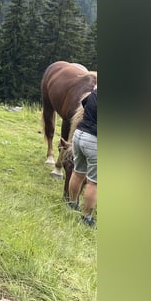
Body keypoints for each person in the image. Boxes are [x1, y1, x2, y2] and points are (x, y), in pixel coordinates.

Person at [68, 88, 97, 227]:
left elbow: (84, 103)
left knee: (77, 172)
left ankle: (71, 204)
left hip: (78, 135)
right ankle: (87, 218)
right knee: (94, 183)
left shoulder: (96, 92)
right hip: (94, 141)